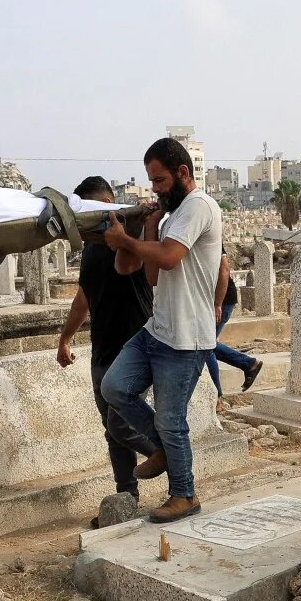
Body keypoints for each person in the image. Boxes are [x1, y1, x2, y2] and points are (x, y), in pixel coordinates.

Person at [100, 137, 222, 523]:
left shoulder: (199, 206)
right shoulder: (172, 217)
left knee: (172, 420)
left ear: (183, 173)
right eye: (151, 181)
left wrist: (126, 240)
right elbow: (149, 274)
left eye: (160, 180)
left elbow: (169, 259)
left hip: (187, 337)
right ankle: (162, 449)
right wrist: (148, 228)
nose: (154, 188)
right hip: (159, 329)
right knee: (114, 387)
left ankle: (184, 494)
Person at [56, 177, 157, 526]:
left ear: (112, 203)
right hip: (102, 351)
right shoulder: (91, 246)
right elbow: (84, 297)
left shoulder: (130, 237)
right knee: (112, 430)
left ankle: (169, 456)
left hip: (133, 348)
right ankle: (126, 500)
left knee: (121, 424)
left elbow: (130, 267)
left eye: (99, 208)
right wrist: (65, 338)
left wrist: (132, 231)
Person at [205, 258, 264, 411]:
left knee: (206, 346)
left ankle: (216, 397)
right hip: (214, 300)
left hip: (220, 301)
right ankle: (248, 364)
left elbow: (224, 268)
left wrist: (217, 303)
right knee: (206, 344)